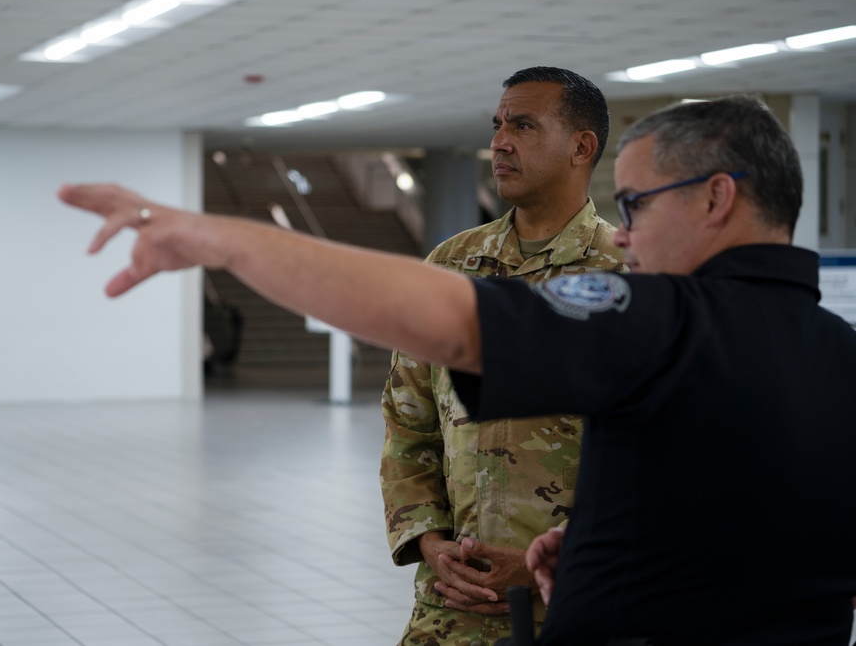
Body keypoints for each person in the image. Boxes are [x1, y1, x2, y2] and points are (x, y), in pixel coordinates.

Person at [59, 94, 856, 645]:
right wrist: (599, 544)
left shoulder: (666, 317)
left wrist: (216, 239)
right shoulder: (839, 350)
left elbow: (446, 315)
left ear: (717, 196)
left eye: (638, 205)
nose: (623, 236)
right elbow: (762, 516)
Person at [379, 66, 623, 646]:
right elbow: (407, 423)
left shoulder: (629, 275)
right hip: (454, 607)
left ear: (580, 147)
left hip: (579, 605)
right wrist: (430, 543)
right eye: (497, 125)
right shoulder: (452, 266)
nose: (499, 142)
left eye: (523, 125)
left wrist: (559, 564)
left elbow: (663, 460)